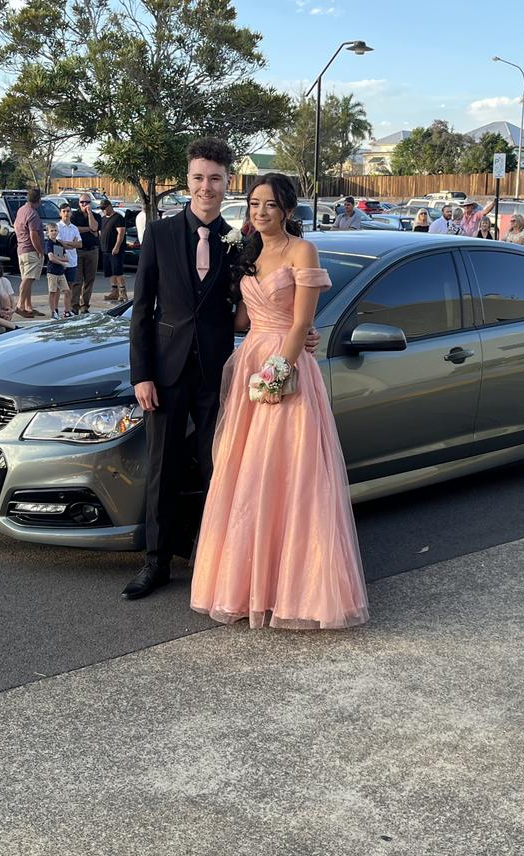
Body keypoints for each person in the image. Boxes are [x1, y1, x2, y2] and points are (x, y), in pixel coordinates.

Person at [123, 138, 320, 602]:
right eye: (198, 177)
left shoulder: (244, 244)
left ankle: (210, 562)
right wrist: (141, 374)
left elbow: (264, 304)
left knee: (222, 469)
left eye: (215, 178)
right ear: (187, 181)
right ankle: (156, 563)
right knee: (162, 468)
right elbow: (140, 310)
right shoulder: (160, 234)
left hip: (223, 373)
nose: (206, 187)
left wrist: (301, 332)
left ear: (227, 182)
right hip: (166, 372)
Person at [190, 173, 368, 629]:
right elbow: (243, 320)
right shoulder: (247, 253)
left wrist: (278, 372)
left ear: (288, 209)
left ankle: (296, 590)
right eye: (253, 204)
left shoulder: (301, 251)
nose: (259, 212)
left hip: (285, 368)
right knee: (246, 474)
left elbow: (302, 321)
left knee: (290, 474)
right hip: (251, 356)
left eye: (269, 205)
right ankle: (247, 585)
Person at [14, 188, 45, 318]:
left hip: (21, 248)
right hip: (30, 250)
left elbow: (15, 226)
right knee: (28, 279)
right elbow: (33, 234)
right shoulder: (32, 214)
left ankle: (28, 307)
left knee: (28, 279)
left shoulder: (21, 210)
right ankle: (20, 305)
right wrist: (40, 251)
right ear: (38, 200)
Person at [70, 194, 101, 314]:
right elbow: (75, 229)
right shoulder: (74, 215)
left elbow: (95, 227)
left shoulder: (96, 215)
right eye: (82, 202)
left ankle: (85, 305)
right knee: (77, 280)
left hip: (92, 250)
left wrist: (89, 214)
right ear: (79, 203)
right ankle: (74, 305)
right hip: (78, 251)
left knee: (89, 279)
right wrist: (89, 230)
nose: (84, 204)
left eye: (87, 202)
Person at [99, 199, 127, 302]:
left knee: (118, 272)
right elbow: (100, 232)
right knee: (110, 272)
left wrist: (117, 246)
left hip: (115, 250)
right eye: (102, 209)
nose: (103, 210)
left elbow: (121, 233)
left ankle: (122, 293)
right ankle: (114, 291)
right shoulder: (102, 219)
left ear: (110, 206)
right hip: (105, 249)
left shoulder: (118, 218)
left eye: (104, 208)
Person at [44, 223, 72, 319]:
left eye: (55, 230)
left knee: (67, 291)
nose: (54, 232)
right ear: (48, 233)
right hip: (52, 271)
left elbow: (66, 258)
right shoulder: (49, 243)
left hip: (60, 272)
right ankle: (53, 312)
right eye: (51, 231)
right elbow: (51, 258)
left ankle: (67, 311)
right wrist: (61, 262)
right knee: (52, 292)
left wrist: (60, 259)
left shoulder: (59, 244)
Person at [56, 204, 82, 291]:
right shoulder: (57, 227)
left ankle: (68, 304)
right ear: (60, 213)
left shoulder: (74, 228)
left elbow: (79, 244)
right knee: (57, 288)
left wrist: (67, 244)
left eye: (68, 211)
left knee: (69, 287)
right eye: (64, 211)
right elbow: (59, 244)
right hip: (60, 260)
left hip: (72, 261)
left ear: (71, 213)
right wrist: (72, 244)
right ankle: (55, 305)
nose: (66, 213)